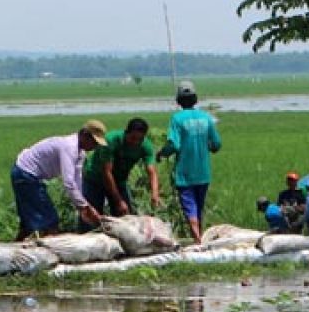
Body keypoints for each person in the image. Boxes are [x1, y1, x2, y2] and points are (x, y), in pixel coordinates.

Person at [11, 120, 108, 240]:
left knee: (28, 223)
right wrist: (84, 206)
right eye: (93, 142)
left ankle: (17, 249)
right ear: (84, 135)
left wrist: (85, 206)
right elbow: (68, 182)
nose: (94, 146)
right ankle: (51, 252)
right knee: (50, 221)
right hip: (26, 173)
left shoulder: (80, 154)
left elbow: (77, 181)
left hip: (28, 175)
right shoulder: (69, 147)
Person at [157, 81, 221, 243]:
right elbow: (216, 144)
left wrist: (161, 153)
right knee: (198, 207)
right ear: (196, 99)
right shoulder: (206, 118)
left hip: (185, 173)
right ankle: (200, 239)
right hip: (203, 172)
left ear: (178, 101)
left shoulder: (177, 119)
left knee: (189, 208)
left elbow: (174, 144)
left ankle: (197, 239)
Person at [80, 117, 161, 230]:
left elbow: (152, 172)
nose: (135, 142)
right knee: (91, 217)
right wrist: (118, 201)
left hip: (119, 180)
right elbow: (106, 172)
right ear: (126, 133)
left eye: (140, 139)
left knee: (125, 216)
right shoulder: (111, 140)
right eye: (133, 138)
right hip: (95, 179)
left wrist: (155, 194)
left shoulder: (145, 146)